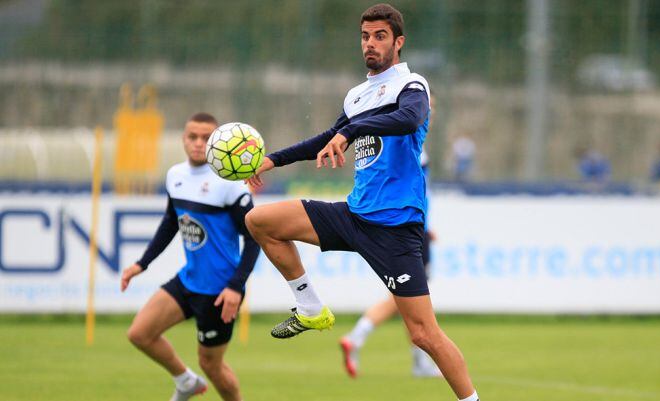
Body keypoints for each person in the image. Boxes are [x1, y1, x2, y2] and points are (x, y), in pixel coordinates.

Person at [244, 4, 480, 401]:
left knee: (424, 334)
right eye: (365, 36)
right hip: (354, 216)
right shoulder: (357, 96)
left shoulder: (412, 85)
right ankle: (310, 308)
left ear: (398, 42)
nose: (370, 43)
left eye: (380, 36)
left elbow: (407, 119)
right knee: (260, 221)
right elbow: (327, 139)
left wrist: (352, 131)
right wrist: (273, 160)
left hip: (395, 228)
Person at [121, 112, 260, 401]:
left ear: (217, 142)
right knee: (139, 334)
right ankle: (186, 382)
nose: (198, 143)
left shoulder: (229, 183)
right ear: (183, 139)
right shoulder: (176, 175)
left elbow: (254, 238)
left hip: (219, 291)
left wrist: (236, 287)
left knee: (211, 365)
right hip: (189, 280)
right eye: (192, 136)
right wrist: (141, 264)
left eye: (206, 138)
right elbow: (171, 222)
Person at [339, 95, 440, 379]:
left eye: (431, 106)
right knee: (408, 299)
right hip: (409, 230)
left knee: (412, 302)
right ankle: (357, 336)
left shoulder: (412, 141)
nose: (429, 111)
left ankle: (419, 363)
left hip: (417, 227)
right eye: (427, 105)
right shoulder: (410, 142)